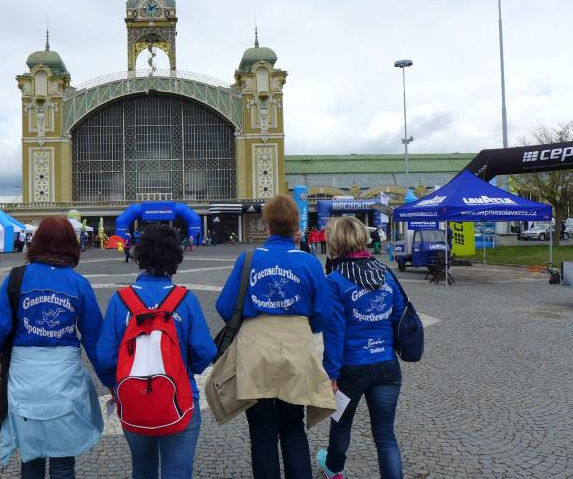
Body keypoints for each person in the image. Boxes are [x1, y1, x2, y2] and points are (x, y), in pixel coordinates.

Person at [215, 195, 335, 479]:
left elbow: (225, 307)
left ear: (266, 226)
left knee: (262, 433)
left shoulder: (248, 259)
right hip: (296, 349)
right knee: (293, 427)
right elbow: (323, 316)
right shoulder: (309, 262)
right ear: (296, 227)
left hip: (255, 351)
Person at [0, 216, 109, 479]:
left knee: (32, 454)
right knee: (63, 460)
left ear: (36, 242)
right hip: (64, 379)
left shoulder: (16, 278)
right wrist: (111, 380)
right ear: (71, 244)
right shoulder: (78, 284)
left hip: (25, 378)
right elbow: (95, 337)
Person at [97, 224, 216, 479]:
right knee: (177, 473)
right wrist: (187, 366)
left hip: (134, 400)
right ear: (176, 258)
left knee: (143, 470)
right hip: (179, 399)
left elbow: (105, 357)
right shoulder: (185, 299)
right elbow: (205, 352)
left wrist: (114, 386)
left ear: (140, 256)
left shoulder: (121, 300)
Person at [316, 216, 406, 479]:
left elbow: (334, 332)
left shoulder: (334, 281)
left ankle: (334, 468)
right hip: (387, 364)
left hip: (351, 368)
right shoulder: (385, 274)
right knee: (386, 436)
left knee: (341, 423)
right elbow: (399, 315)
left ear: (334, 242)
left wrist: (331, 373)